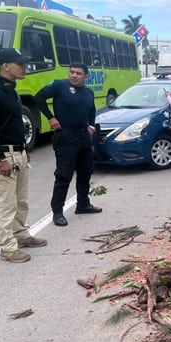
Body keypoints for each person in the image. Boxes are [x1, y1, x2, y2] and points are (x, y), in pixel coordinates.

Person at [0, 48, 48, 263]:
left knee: (21, 201)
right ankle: (8, 249)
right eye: (20, 64)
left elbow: (16, 123)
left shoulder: (13, 90)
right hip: (4, 156)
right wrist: (1, 158)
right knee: (5, 205)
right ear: (5, 66)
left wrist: (25, 149)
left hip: (19, 152)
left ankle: (21, 235)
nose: (25, 67)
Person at [35, 63, 101, 227]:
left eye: (79, 73)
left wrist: (91, 125)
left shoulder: (88, 92)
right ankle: (57, 212)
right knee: (64, 175)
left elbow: (91, 110)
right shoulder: (59, 86)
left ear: (86, 76)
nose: (74, 75)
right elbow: (39, 97)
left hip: (83, 135)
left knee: (86, 172)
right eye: (71, 72)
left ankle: (83, 204)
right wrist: (50, 117)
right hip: (66, 135)